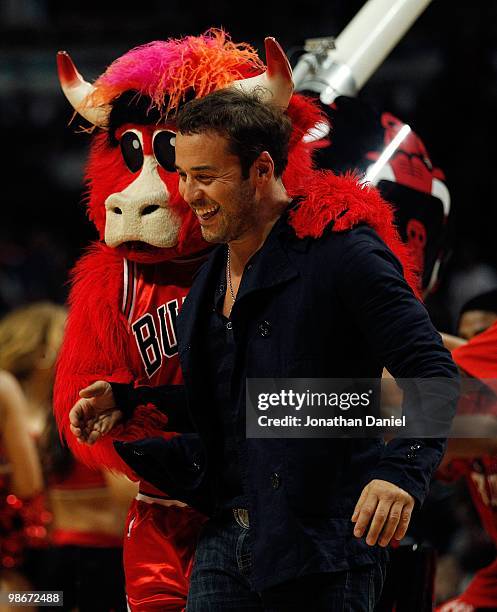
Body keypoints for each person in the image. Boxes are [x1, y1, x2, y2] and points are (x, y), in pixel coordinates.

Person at [70, 89, 459, 611]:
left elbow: (432, 370)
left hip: (325, 547)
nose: (188, 194)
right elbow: (240, 401)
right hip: (223, 540)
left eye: (206, 176)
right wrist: (130, 402)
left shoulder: (344, 252)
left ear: (262, 169)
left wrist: (402, 470)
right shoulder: (211, 275)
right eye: (183, 175)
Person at [0, 302, 136, 610]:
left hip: (43, 565)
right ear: (45, 354)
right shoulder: (76, 416)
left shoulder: (33, 415)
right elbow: (128, 498)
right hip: (91, 562)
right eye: (71, 337)